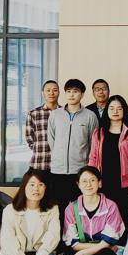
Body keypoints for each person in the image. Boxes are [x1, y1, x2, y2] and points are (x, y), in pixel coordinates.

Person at [58, 166, 125, 255]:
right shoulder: (71, 208)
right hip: (88, 252)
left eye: (92, 180)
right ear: (78, 185)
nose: (88, 184)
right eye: (84, 181)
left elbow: (108, 242)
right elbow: (73, 243)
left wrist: (80, 253)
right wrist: (103, 245)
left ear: (99, 183)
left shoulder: (110, 206)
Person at [88, 95, 128, 243]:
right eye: (111, 108)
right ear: (107, 111)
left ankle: (121, 247)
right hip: (103, 181)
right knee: (104, 214)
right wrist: (93, 179)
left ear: (124, 110)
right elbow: (93, 157)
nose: (115, 111)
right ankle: (104, 246)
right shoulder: (98, 133)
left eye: (119, 108)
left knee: (122, 214)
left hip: (123, 182)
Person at [47, 78, 99, 219]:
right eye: (68, 91)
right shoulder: (55, 115)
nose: (71, 94)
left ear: (82, 94)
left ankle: (78, 232)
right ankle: (60, 233)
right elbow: (51, 140)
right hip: (57, 170)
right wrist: (58, 156)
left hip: (79, 171)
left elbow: (93, 143)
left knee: (79, 208)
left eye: (75, 91)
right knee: (59, 208)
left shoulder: (90, 116)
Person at [25, 80, 60, 172]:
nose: (51, 93)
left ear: (59, 93)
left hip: (60, 165)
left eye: (55, 90)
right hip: (39, 163)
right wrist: (39, 148)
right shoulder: (33, 113)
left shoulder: (64, 113)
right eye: (48, 90)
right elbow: (29, 137)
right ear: (43, 93)